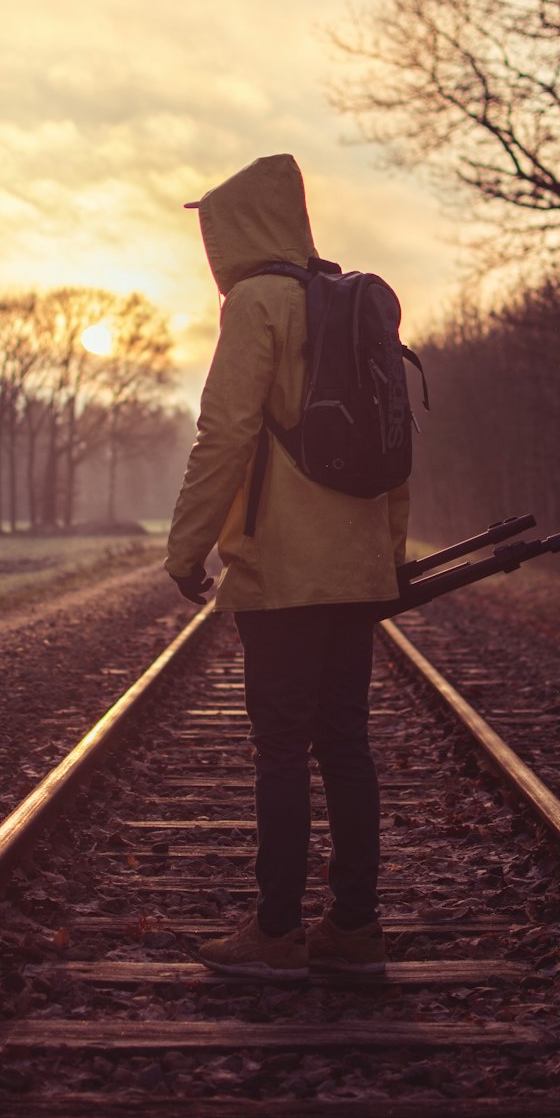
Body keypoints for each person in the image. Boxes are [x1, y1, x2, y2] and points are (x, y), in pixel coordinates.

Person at [166, 153, 409, 980]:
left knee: (280, 747)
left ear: (233, 233)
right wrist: (390, 554)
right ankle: (355, 928)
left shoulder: (256, 306)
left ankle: (274, 932)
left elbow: (225, 434)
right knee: (346, 744)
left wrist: (186, 545)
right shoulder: (348, 304)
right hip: (355, 569)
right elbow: (396, 448)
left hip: (282, 573)